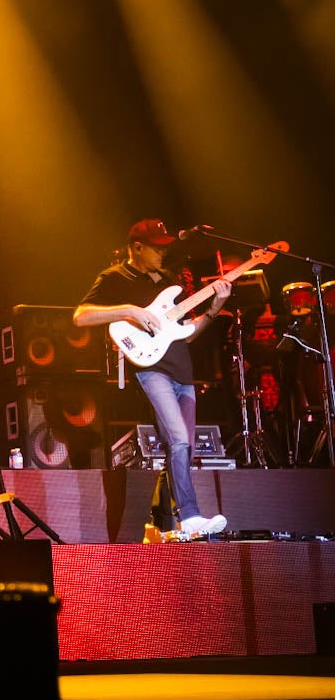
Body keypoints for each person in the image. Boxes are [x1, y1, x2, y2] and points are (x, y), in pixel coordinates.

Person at [73, 218, 232, 537]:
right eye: (157, 248)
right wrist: (129, 310)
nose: (163, 253)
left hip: (182, 371)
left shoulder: (169, 280)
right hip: (151, 369)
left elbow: (186, 334)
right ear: (137, 248)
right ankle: (189, 516)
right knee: (178, 438)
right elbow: (82, 316)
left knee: (184, 447)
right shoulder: (114, 277)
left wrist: (214, 309)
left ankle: (168, 521)